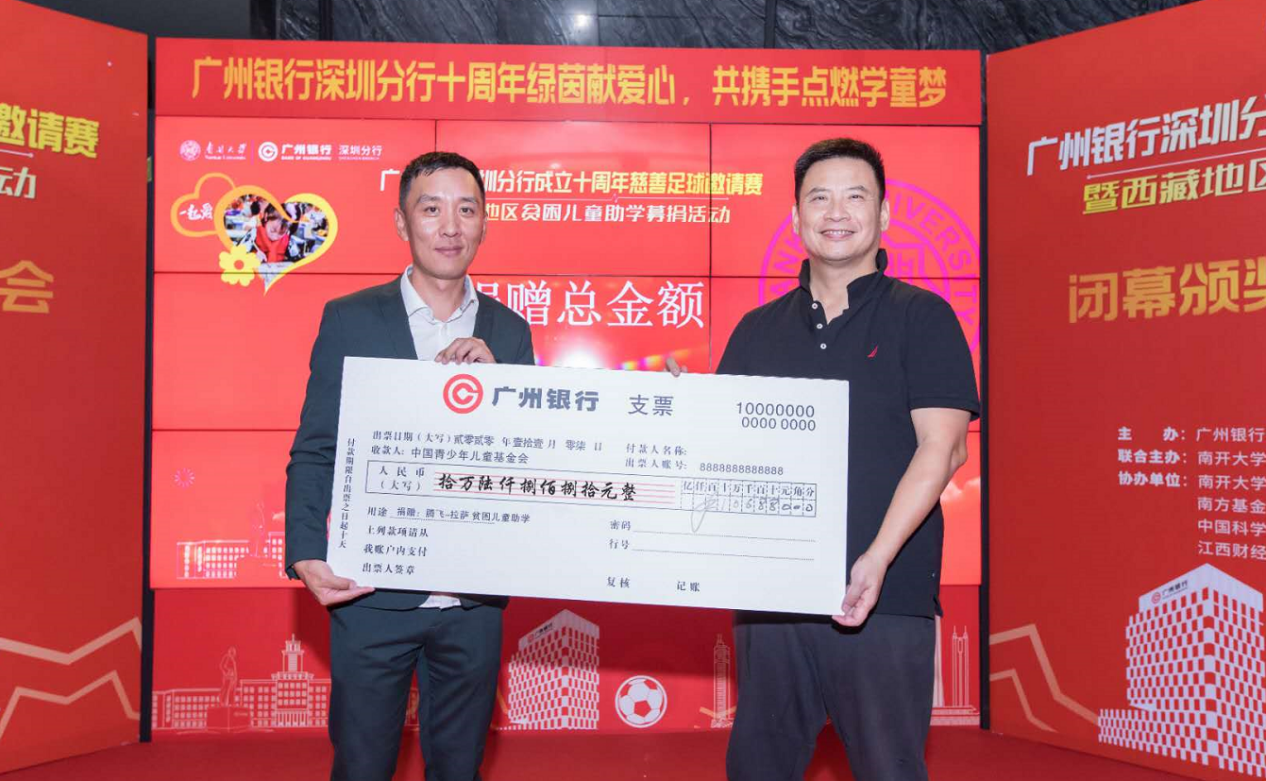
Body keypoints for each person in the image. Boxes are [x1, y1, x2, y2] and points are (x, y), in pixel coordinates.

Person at [716, 138, 979, 781]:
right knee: (758, 767)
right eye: (819, 198)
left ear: (883, 214)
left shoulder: (923, 317)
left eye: (855, 197)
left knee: (889, 768)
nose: (837, 213)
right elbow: (724, 453)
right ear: (796, 216)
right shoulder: (756, 330)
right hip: (773, 596)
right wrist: (681, 412)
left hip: (885, 593)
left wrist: (877, 557)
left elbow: (944, 447)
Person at [285, 151, 535, 781]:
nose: (450, 226)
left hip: (473, 601)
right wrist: (305, 550)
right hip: (371, 592)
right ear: (402, 223)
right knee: (363, 765)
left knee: (459, 767)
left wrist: (503, 390)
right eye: (431, 209)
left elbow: (532, 460)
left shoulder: (509, 331)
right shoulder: (350, 318)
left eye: (466, 210)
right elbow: (317, 446)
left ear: (484, 224)